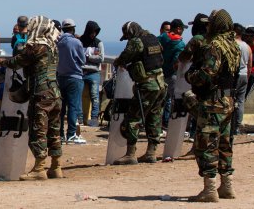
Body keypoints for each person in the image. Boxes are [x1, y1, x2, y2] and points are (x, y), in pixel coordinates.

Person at [0, 16, 64, 180]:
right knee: (54, 131)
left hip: (41, 93)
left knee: (37, 130)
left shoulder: (37, 46)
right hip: (55, 93)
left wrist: (2, 62)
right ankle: (56, 167)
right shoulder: (53, 47)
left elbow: (18, 61)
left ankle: (39, 168)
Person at [184, 9, 240, 202]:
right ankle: (227, 186)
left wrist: (190, 76)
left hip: (212, 102)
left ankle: (209, 190)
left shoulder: (214, 45)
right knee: (224, 144)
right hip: (228, 100)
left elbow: (208, 72)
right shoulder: (233, 46)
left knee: (206, 145)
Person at [112, 21, 166, 164]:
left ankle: (130, 154)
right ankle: (151, 153)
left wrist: (118, 62)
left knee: (133, 117)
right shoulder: (153, 38)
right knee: (154, 117)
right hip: (160, 84)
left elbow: (125, 57)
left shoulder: (136, 41)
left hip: (147, 85)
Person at [56, 19, 86, 143]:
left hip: (60, 77)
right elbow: (82, 60)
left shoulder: (57, 42)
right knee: (73, 106)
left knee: (61, 108)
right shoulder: (76, 42)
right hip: (75, 77)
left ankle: (60, 134)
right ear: (73, 28)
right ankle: (71, 134)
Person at [160, 18, 187, 128]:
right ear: (179, 29)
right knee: (173, 100)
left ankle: (158, 125)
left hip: (160, 73)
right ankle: (171, 124)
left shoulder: (163, 37)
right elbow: (177, 63)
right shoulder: (180, 43)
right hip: (172, 75)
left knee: (160, 100)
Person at [80, 21, 104, 127]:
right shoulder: (80, 41)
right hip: (81, 72)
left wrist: (87, 57)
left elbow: (101, 58)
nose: (93, 34)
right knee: (79, 96)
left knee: (95, 96)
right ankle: (80, 118)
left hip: (94, 73)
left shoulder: (98, 43)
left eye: (95, 32)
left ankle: (94, 119)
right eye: (92, 31)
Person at [232, 29, 251, 135]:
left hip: (234, 76)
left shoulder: (232, 45)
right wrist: (247, 76)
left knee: (229, 99)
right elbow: (250, 64)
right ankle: (238, 127)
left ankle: (229, 125)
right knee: (240, 101)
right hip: (244, 75)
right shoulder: (247, 46)